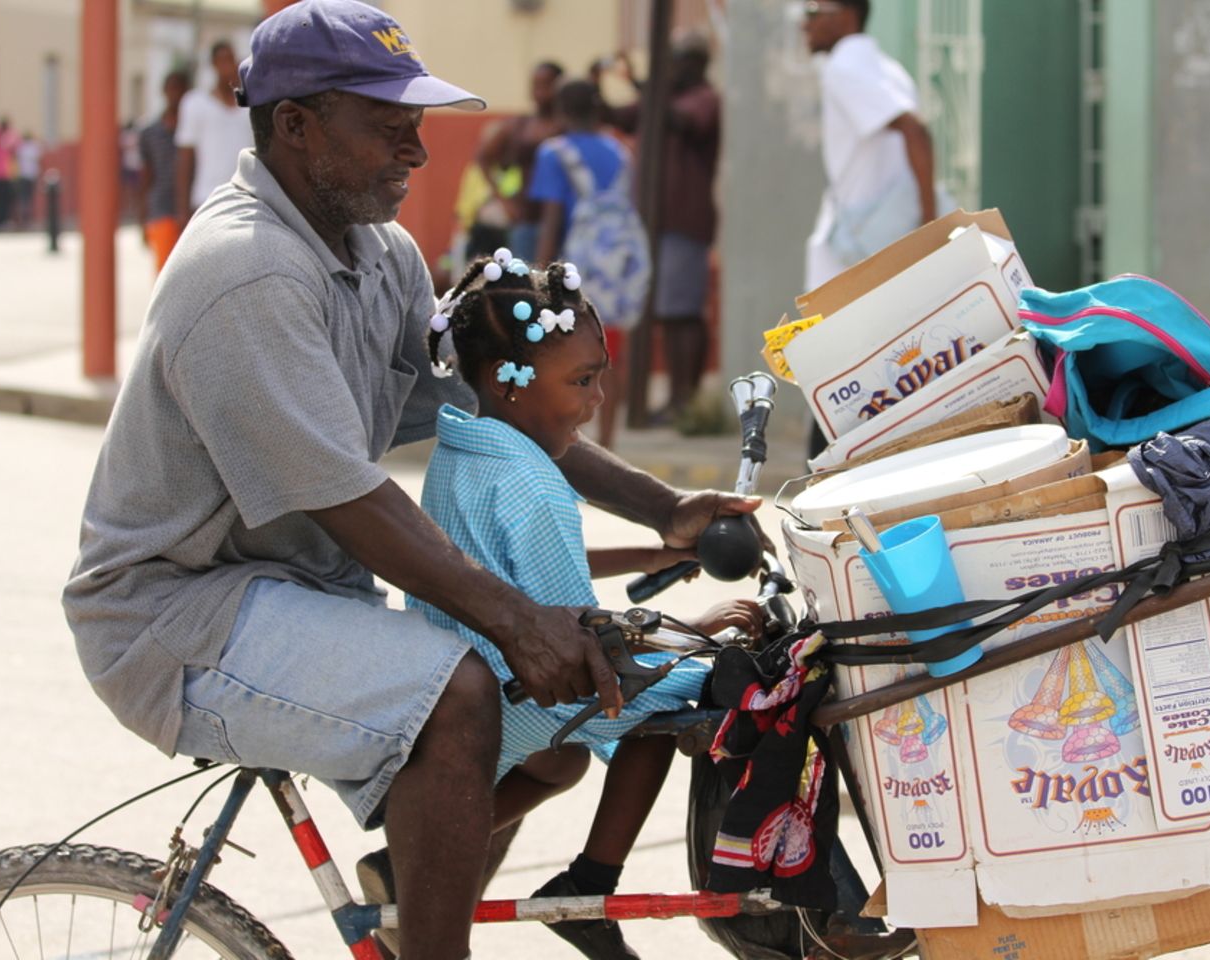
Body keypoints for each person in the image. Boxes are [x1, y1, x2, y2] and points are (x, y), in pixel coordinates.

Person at [61, 3, 759, 959]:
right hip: (175, 617)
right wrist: (520, 619)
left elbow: (498, 407)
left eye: (418, 126)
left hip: (287, 594)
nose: (419, 153)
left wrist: (667, 508)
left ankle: (410, 906)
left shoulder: (374, 252)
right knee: (460, 692)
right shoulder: (248, 271)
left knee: (536, 717)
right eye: (389, 128)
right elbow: (347, 495)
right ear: (296, 124)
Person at [416, 251, 762, 959]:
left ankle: (418, 853)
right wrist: (690, 634)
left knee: (564, 764)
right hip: (513, 689)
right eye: (582, 380)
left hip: (452, 672)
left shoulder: (466, 450)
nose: (599, 397)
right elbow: (583, 637)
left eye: (599, 373)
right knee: (677, 699)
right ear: (507, 385)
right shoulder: (536, 487)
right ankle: (590, 884)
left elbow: (510, 573)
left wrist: (646, 555)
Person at [802, 0, 947, 459]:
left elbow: (915, 131)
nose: (805, 22)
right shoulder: (882, 64)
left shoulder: (846, 66)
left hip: (862, 246)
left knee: (833, 368)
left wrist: (928, 224)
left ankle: (823, 476)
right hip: (869, 238)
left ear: (846, 14)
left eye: (812, 9)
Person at [599, 34, 720, 423]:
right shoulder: (661, 100)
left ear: (697, 64)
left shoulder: (702, 98)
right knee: (665, 313)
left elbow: (681, 121)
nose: (673, 69)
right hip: (652, 225)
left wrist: (643, 85)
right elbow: (619, 118)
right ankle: (674, 401)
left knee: (681, 313)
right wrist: (600, 81)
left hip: (684, 222)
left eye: (680, 61)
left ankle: (684, 400)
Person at [529, 78, 645, 449]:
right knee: (607, 350)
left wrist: (539, 275)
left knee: (561, 350)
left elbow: (551, 218)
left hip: (574, 267)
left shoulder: (554, 152)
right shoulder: (620, 150)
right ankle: (608, 442)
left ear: (561, 112)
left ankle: (566, 435)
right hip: (615, 267)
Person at [476, 61, 564, 261]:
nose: (541, 92)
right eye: (536, 85)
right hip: (527, 219)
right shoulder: (521, 125)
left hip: (562, 222)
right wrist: (504, 200)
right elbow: (483, 158)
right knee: (525, 279)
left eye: (547, 85)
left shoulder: (566, 126)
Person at [174, 39, 254, 224]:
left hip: (246, 200)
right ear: (213, 64)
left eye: (230, 59)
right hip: (206, 200)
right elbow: (185, 158)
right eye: (222, 60)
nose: (227, 66)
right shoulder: (195, 103)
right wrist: (182, 210)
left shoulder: (251, 105)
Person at [138, 69, 191, 273]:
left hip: (191, 206)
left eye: (180, 89)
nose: (175, 94)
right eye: (171, 89)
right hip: (161, 207)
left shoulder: (194, 128)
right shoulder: (150, 132)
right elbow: (146, 175)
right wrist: (142, 217)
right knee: (164, 271)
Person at [15, 131, 42, 227]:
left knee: (24, 197)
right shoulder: (33, 148)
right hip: (30, 175)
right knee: (28, 197)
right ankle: (27, 218)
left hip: (23, 175)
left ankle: (24, 218)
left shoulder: (21, 147)